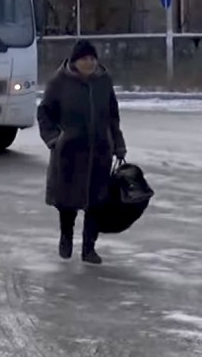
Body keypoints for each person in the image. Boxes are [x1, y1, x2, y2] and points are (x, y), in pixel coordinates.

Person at [37, 39, 126, 265]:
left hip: (99, 152)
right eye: (85, 59)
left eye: (92, 58)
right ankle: (66, 238)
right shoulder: (59, 82)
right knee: (67, 202)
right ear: (75, 61)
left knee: (96, 203)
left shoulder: (103, 81)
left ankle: (89, 248)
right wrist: (54, 139)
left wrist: (118, 145)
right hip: (69, 154)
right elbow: (45, 113)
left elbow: (112, 116)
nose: (90, 63)